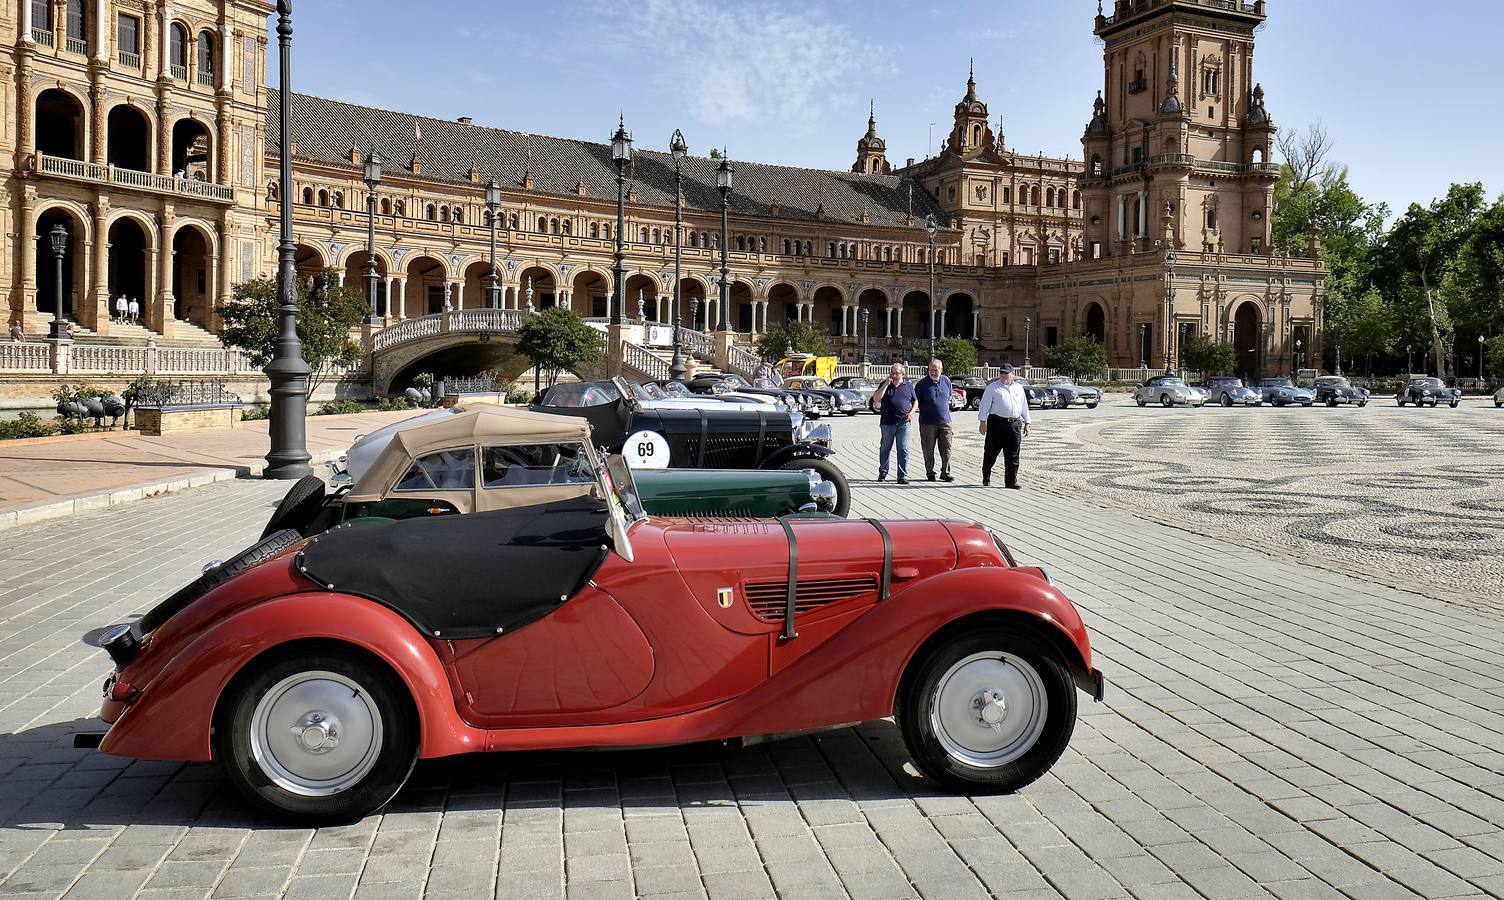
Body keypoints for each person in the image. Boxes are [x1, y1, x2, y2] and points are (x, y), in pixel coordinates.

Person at [978, 363, 1031, 489]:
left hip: (1014, 424)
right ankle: (986, 476)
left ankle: (1011, 481)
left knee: (1013, 454)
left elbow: (1024, 406)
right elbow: (984, 405)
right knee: (991, 453)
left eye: (1006, 373)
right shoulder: (993, 388)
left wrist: (1027, 422)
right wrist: (982, 422)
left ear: (1013, 374)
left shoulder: (1018, 388)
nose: (1003, 376)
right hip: (997, 423)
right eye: (1001, 373)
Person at [871, 362, 916, 484]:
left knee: (903, 449)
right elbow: (876, 399)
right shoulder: (885, 385)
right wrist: (886, 384)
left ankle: (902, 476)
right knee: (885, 448)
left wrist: (912, 413)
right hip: (887, 423)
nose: (894, 375)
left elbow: (915, 401)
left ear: (902, 374)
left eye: (897, 373)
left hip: (904, 422)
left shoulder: (908, 385)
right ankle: (883, 473)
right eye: (892, 372)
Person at [913, 358, 954, 482]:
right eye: (930, 370)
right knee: (928, 449)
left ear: (941, 370)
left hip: (945, 421)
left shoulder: (946, 381)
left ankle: (945, 472)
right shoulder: (921, 385)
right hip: (927, 422)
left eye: (935, 370)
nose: (933, 372)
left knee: (947, 447)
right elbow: (915, 401)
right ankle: (930, 472)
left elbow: (950, 396)